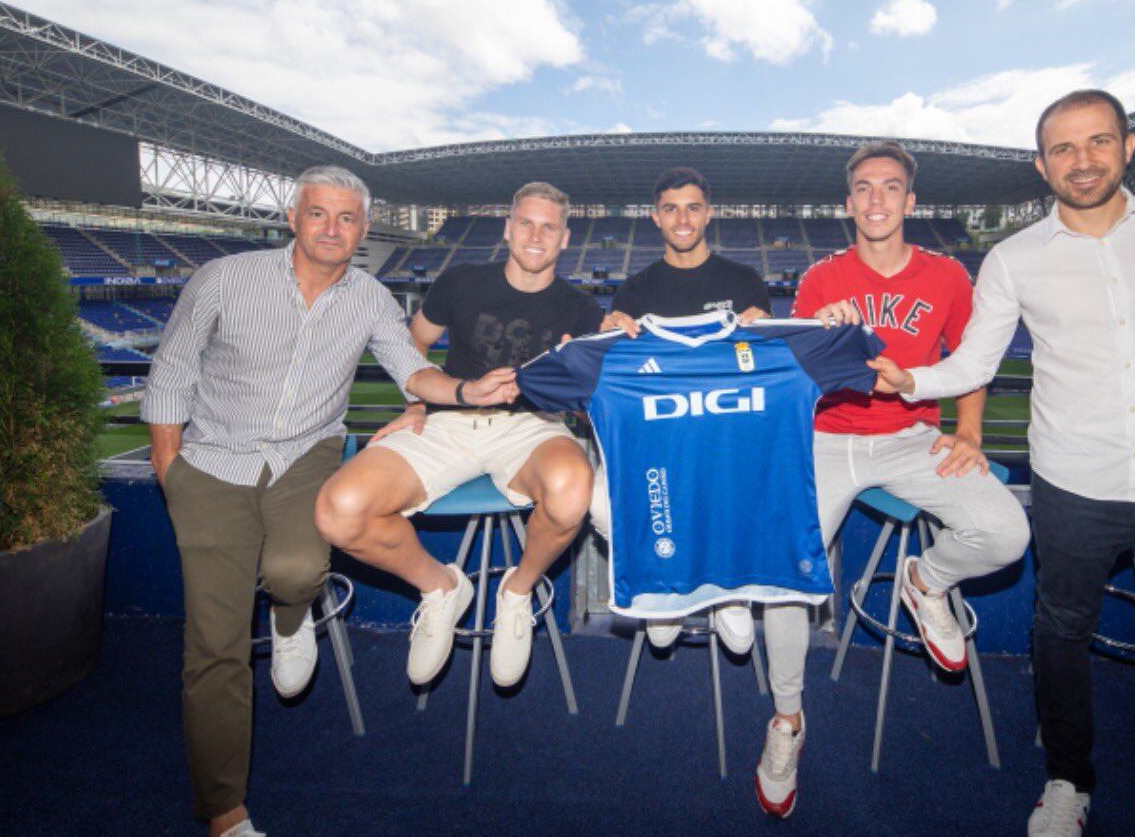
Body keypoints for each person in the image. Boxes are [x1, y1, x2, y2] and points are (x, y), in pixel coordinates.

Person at [872, 91, 1135, 836]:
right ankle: (1069, 780)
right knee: (1060, 637)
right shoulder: (1014, 257)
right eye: (1063, 149)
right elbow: (974, 359)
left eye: (1098, 142)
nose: (1083, 160)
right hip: (1076, 480)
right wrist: (914, 380)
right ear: (1042, 166)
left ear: (1128, 147)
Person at [144, 166, 514, 837]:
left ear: (364, 231)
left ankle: (292, 620)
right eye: (319, 214)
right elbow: (172, 370)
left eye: (347, 219)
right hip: (211, 460)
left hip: (305, 454)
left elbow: (413, 368)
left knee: (294, 571)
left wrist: (467, 392)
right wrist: (170, 468)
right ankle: (225, 814)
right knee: (214, 647)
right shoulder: (225, 278)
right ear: (293, 218)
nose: (332, 229)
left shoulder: (372, 298)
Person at [755, 141, 1031, 818]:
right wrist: (820, 330)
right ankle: (787, 719)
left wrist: (967, 432)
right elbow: (799, 372)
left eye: (890, 188)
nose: (876, 200)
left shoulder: (947, 277)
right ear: (848, 204)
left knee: (1006, 532)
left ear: (911, 201)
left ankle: (925, 580)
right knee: (786, 574)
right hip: (827, 440)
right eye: (864, 189)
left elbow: (973, 360)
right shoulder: (822, 277)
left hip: (909, 438)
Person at [315, 181, 604, 692]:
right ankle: (443, 586)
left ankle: (517, 591)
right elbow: (411, 343)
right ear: (508, 228)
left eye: (549, 227)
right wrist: (418, 400)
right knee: (340, 510)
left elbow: (594, 388)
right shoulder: (462, 280)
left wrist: (583, 366)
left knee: (573, 489)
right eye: (526, 223)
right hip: (451, 415)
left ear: (565, 238)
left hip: (531, 428)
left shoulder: (582, 311)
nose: (536, 236)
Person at [597, 166, 770, 653]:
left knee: (733, 483)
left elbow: (761, 369)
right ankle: (665, 585)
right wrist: (610, 334)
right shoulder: (635, 289)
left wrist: (766, 329)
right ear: (656, 217)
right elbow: (615, 377)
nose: (682, 218)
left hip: (725, 435)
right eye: (671, 208)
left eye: (693, 207)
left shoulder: (743, 280)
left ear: (708, 213)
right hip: (661, 439)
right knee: (607, 505)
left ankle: (728, 589)